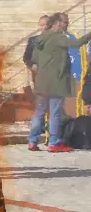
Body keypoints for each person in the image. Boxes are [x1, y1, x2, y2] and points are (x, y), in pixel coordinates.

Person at [28, 13, 91, 152]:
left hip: (42, 82)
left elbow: (34, 59)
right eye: (65, 22)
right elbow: (77, 44)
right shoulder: (58, 38)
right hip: (55, 82)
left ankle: (32, 141)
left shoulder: (40, 38)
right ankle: (54, 142)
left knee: (39, 112)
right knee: (55, 113)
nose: (67, 25)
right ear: (57, 22)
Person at [23, 13, 51, 86]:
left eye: (45, 25)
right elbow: (26, 57)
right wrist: (32, 65)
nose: (44, 27)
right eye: (41, 25)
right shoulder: (33, 41)